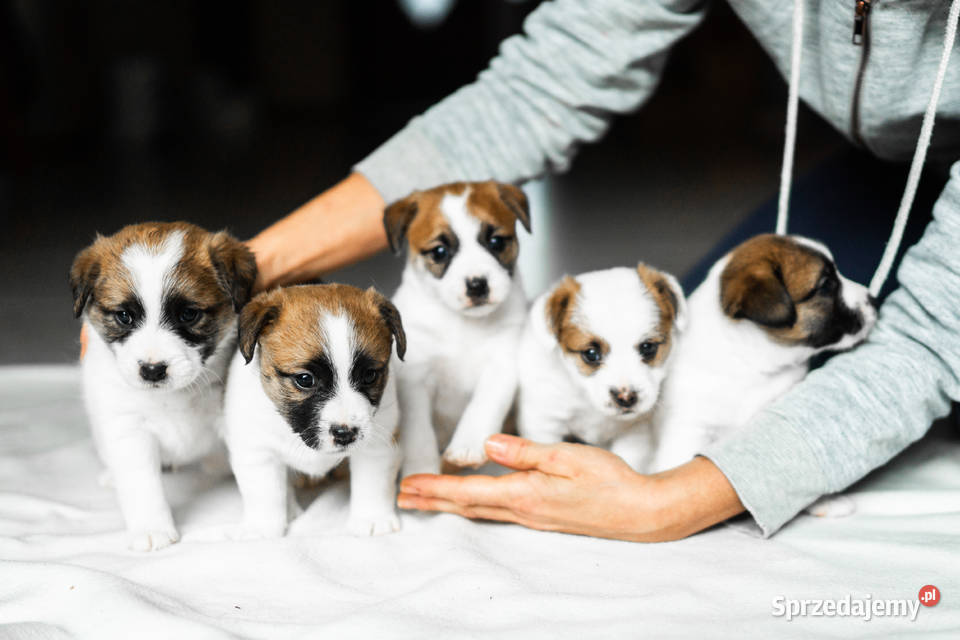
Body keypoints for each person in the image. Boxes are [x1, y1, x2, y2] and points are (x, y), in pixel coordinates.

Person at [247, 0, 960, 542]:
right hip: (884, 172)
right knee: (712, 336)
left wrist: (668, 503)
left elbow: (935, 334)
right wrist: (247, 269)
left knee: (849, 369)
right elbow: (539, 88)